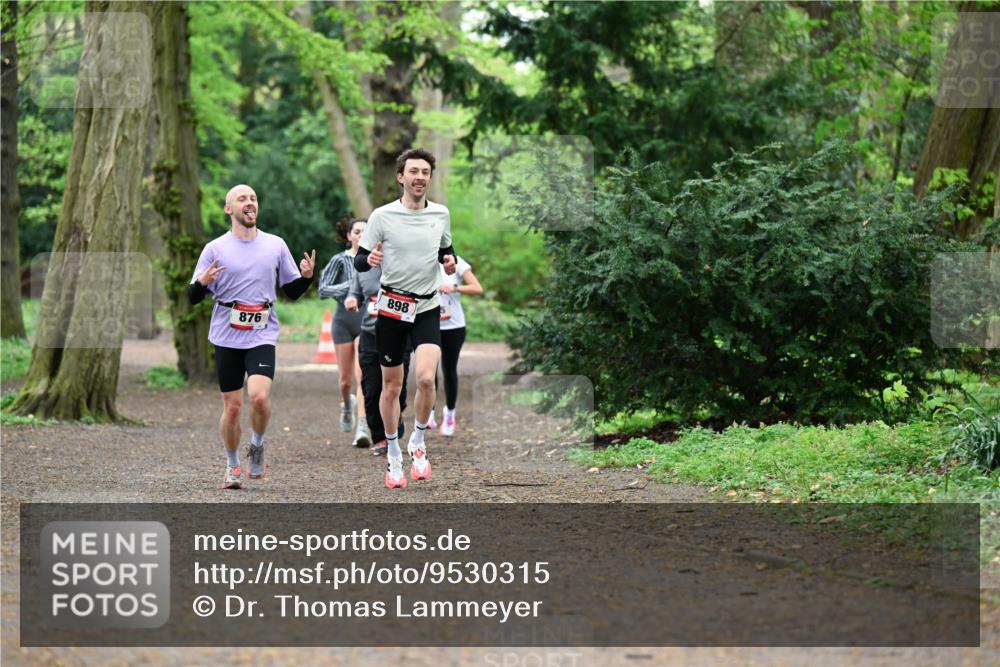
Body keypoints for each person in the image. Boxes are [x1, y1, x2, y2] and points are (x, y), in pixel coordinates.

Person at [188, 184, 315, 489]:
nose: (250, 202)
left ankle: (256, 445)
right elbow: (192, 296)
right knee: (232, 407)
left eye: (254, 198)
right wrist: (203, 282)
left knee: (259, 396)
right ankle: (232, 464)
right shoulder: (215, 248)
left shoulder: (275, 245)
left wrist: (307, 277)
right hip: (226, 334)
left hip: (262, 331)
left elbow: (292, 290)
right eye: (242, 199)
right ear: (228, 209)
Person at [355, 148, 456, 489]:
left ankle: (418, 441)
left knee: (426, 379)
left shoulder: (441, 213)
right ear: (401, 177)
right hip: (392, 308)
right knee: (392, 387)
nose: (420, 177)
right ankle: (394, 452)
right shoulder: (382, 216)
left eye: (425, 172)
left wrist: (450, 262)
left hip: (426, 307)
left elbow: (446, 250)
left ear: (430, 178)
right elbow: (359, 259)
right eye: (413, 171)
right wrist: (369, 260)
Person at [345, 264, 410, 454]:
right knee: (371, 388)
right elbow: (354, 293)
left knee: (397, 387)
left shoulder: (404, 261)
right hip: (370, 333)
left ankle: (395, 418)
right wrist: (351, 300)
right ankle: (380, 437)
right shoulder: (363, 266)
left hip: (399, 332)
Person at [317, 217, 370, 447]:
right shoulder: (339, 260)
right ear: (349, 236)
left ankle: (363, 426)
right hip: (342, 322)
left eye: (365, 232)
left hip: (366, 320)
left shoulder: (374, 260)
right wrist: (351, 286)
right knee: (345, 380)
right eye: (357, 232)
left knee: (362, 375)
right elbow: (323, 290)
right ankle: (347, 405)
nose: (361, 235)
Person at [426, 255, 483, 437]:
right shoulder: (421, 258)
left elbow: (477, 288)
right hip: (428, 325)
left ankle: (449, 414)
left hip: (453, 326)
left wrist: (454, 287)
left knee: (449, 370)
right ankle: (428, 412)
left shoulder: (455, 261)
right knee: (428, 371)